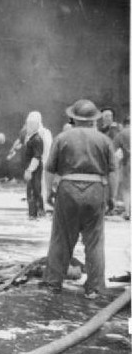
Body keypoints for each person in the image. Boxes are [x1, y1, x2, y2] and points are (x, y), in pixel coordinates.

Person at [40, 99, 117, 299]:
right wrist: (112, 197)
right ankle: (95, 287)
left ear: (73, 118)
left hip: (67, 191)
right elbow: (113, 172)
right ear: (93, 120)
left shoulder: (62, 137)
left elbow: (49, 169)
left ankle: (53, 283)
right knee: (94, 241)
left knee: (61, 238)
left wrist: (47, 192)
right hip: (95, 190)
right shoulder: (104, 140)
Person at [22, 112, 45, 219]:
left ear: (36, 125)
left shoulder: (36, 139)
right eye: (28, 124)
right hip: (32, 168)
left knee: (33, 190)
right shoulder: (32, 138)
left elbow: (36, 157)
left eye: (31, 124)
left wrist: (30, 170)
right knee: (33, 190)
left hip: (34, 169)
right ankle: (36, 212)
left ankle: (35, 213)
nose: (28, 127)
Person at [113, 117, 130, 219]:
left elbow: (114, 150)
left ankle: (128, 211)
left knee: (127, 188)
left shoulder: (122, 133)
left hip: (128, 162)